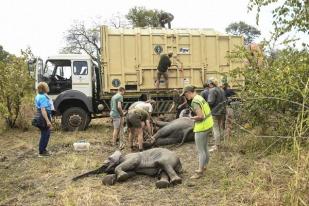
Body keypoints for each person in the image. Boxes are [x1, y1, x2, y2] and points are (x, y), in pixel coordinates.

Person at [180, 85, 213, 179]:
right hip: (208, 124)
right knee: (205, 147)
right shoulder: (199, 97)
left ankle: (200, 171)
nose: (185, 97)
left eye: (185, 95)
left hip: (201, 127)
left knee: (200, 150)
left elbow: (201, 116)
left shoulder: (194, 102)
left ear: (188, 93)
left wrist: (191, 118)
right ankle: (205, 165)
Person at [207, 78, 227, 151]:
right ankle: (220, 144)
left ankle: (217, 146)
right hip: (222, 111)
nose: (208, 85)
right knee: (220, 128)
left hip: (215, 112)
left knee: (215, 129)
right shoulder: (221, 90)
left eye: (208, 84)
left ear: (211, 83)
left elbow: (210, 102)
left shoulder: (212, 90)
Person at [35, 82, 53, 157]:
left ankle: (43, 150)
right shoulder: (42, 97)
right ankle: (42, 151)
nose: (48, 87)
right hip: (43, 117)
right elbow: (43, 110)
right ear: (44, 88)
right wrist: (48, 121)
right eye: (47, 86)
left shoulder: (39, 95)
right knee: (45, 134)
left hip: (40, 116)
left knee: (45, 133)